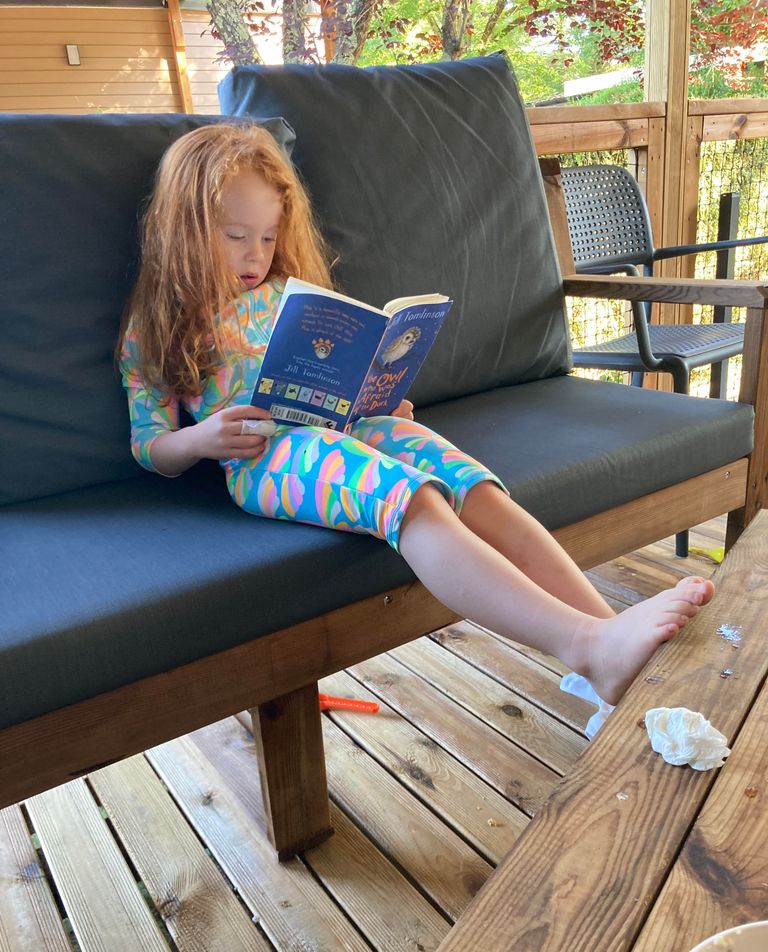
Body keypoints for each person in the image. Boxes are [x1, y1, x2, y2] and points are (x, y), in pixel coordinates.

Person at [119, 122, 714, 715]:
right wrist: (201, 439)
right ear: (187, 230)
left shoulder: (286, 294)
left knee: (473, 486)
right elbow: (150, 446)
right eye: (235, 235)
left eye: (270, 237)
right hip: (265, 458)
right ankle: (587, 647)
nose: (257, 254)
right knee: (414, 497)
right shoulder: (159, 323)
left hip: (346, 424)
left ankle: (607, 646)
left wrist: (376, 396)